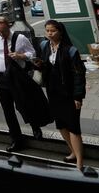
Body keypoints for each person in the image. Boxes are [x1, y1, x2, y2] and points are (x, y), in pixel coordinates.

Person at [0, 15, 44, 151]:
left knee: (23, 104)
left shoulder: (20, 38)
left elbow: (32, 53)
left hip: (17, 77)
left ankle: (35, 126)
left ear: (8, 27)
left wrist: (20, 55)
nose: (1, 34)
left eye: (3, 31)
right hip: (1, 78)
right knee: (7, 110)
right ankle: (16, 139)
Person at [34, 20, 86, 169]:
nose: (50, 33)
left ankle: (80, 161)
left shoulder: (71, 50)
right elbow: (44, 65)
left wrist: (78, 96)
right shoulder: (44, 46)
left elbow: (79, 74)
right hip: (53, 91)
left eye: (53, 31)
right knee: (61, 125)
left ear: (60, 32)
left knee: (73, 127)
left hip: (68, 94)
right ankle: (73, 152)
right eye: (47, 31)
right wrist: (36, 64)